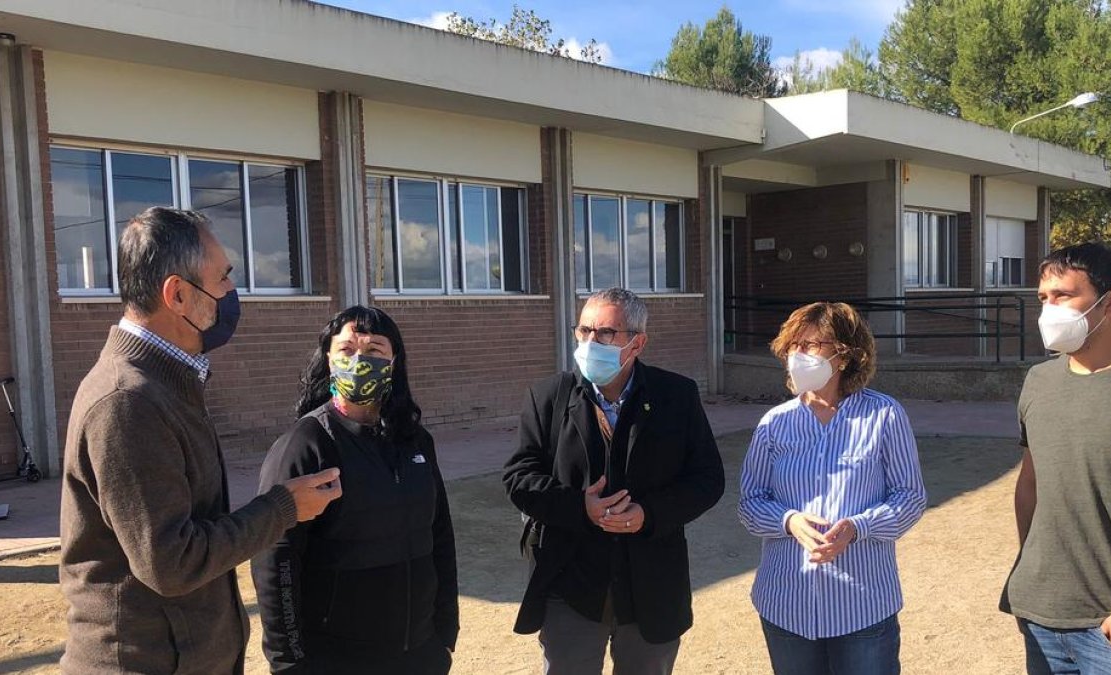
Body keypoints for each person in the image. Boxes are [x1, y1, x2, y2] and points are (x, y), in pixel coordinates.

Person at [59, 207, 341, 675]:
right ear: (177, 295)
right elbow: (172, 563)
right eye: (223, 277)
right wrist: (283, 508)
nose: (232, 291)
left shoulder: (168, 382)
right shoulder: (128, 403)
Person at [503, 288, 725, 675]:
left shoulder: (676, 396)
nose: (591, 342)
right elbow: (519, 477)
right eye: (584, 330)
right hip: (571, 585)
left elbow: (707, 479)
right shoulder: (549, 397)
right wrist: (579, 507)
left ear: (637, 343)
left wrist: (648, 513)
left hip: (651, 587)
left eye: (605, 333)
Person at [252, 305, 458, 674]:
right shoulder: (307, 444)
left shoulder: (415, 440)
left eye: (375, 349)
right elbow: (276, 557)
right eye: (347, 350)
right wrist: (288, 660)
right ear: (328, 360)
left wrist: (444, 632)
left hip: (420, 651)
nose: (360, 361)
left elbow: (439, 534)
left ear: (394, 361)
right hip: (336, 659)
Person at [738, 301, 926, 675]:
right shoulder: (774, 423)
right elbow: (750, 502)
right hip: (787, 605)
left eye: (810, 345)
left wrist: (858, 527)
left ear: (844, 355)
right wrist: (789, 521)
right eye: (792, 346)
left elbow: (910, 497)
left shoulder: (883, 415)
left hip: (862, 607)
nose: (798, 355)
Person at [1001, 242, 1111, 674]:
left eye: (1064, 295)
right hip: (1042, 616)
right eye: (1043, 298)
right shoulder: (1038, 380)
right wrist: (1028, 576)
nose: (1048, 310)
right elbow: (1030, 483)